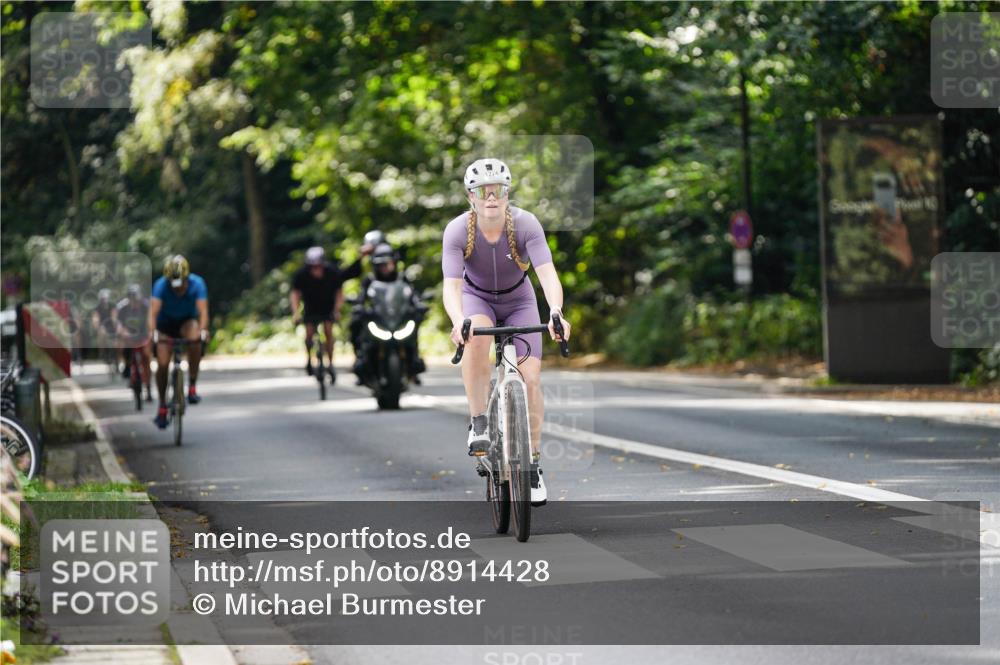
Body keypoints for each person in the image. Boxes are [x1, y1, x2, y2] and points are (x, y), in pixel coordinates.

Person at [441, 158, 571, 506]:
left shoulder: (526, 224)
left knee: (530, 379)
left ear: (506, 192)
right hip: (477, 299)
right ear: (470, 196)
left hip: (519, 300)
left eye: (496, 190)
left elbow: (547, 275)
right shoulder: (457, 230)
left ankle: (532, 464)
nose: (490, 197)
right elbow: (451, 287)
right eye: (483, 191)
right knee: (476, 334)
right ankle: (479, 421)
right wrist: (458, 319)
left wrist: (556, 311)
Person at [290, 243, 374, 381]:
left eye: (318, 266)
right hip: (311, 308)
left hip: (327, 308)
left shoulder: (331, 272)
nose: (316, 270)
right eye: (313, 267)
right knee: (309, 334)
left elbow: (340, 291)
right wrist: (296, 312)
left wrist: (337, 310)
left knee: (329, 332)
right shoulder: (302, 275)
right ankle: (309, 359)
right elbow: (295, 294)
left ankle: (330, 363)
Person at [350, 241, 427, 385]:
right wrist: (359, 307)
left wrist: (419, 305)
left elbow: (413, 295)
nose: (385, 267)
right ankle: (361, 361)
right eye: (381, 264)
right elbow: (361, 298)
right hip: (378, 319)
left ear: (394, 263)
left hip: (398, 319)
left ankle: (414, 361)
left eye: (388, 263)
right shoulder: (369, 280)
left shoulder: (402, 278)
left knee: (414, 328)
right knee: (356, 328)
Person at [148, 255, 209, 429]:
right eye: (174, 285)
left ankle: (192, 386)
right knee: (162, 363)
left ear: (187, 278)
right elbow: (152, 313)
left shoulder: (198, 283)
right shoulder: (160, 285)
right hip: (165, 325)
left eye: (181, 284)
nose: (178, 288)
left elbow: (203, 311)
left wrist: (204, 331)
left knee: (195, 337)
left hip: (185, 322)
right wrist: (153, 334)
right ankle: (162, 406)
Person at [116, 284, 152, 402]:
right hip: (129, 336)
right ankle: (126, 365)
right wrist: (122, 332)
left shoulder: (146, 306)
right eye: (131, 298)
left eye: (135, 298)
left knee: (146, 357)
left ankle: (148, 388)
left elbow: (150, 322)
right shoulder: (122, 308)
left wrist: (150, 333)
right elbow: (119, 324)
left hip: (143, 335)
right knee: (121, 345)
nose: (134, 301)